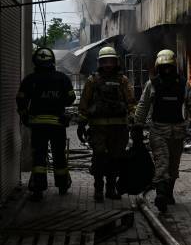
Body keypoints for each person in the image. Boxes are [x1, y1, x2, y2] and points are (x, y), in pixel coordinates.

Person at [132, 49, 191, 213]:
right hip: (158, 131)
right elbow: (143, 106)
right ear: (158, 67)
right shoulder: (152, 84)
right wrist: (137, 126)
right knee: (162, 163)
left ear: (174, 66)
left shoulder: (183, 84)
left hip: (178, 132)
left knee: (173, 166)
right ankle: (161, 195)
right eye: (164, 67)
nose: (167, 70)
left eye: (169, 67)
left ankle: (168, 194)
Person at [16, 47, 75, 201]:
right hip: (58, 125)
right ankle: (62, 185)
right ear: (52, 61)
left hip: (38, 126)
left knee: (39, 157)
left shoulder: (30, 80)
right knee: (59, 156)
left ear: (36, 61)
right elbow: (71, 98)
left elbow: (21, 99)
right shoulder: (62, 78)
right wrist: (57, 102)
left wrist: (24, 116)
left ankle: (38, 189)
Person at [78, 46, 136, 202]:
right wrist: (81, 122)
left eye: (111, 61)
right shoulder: (92, 80)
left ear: (116, 62)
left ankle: (111, 189)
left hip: (119, 128)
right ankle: (98, 189)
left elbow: (130, 102)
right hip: (98, 128)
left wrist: (133, 118)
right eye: (105, 61)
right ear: (100, 63)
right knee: (99, 158)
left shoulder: (122, 80)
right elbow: (84, 103)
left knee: (115, 159)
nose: (108, 65)